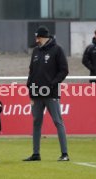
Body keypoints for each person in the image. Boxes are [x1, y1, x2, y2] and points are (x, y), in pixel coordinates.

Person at [24, 26, 69, 162]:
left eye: (37, 37)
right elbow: (31, 72)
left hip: (52, 93)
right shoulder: (36, 51)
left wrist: (52, 83)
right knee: (36, 122)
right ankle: (36, 154)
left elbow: (64, 70)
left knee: (57, 122)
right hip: (37, 94)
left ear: (43, 37)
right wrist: (30, 91)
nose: (36, 39)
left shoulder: (57, 50)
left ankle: (64, 154)